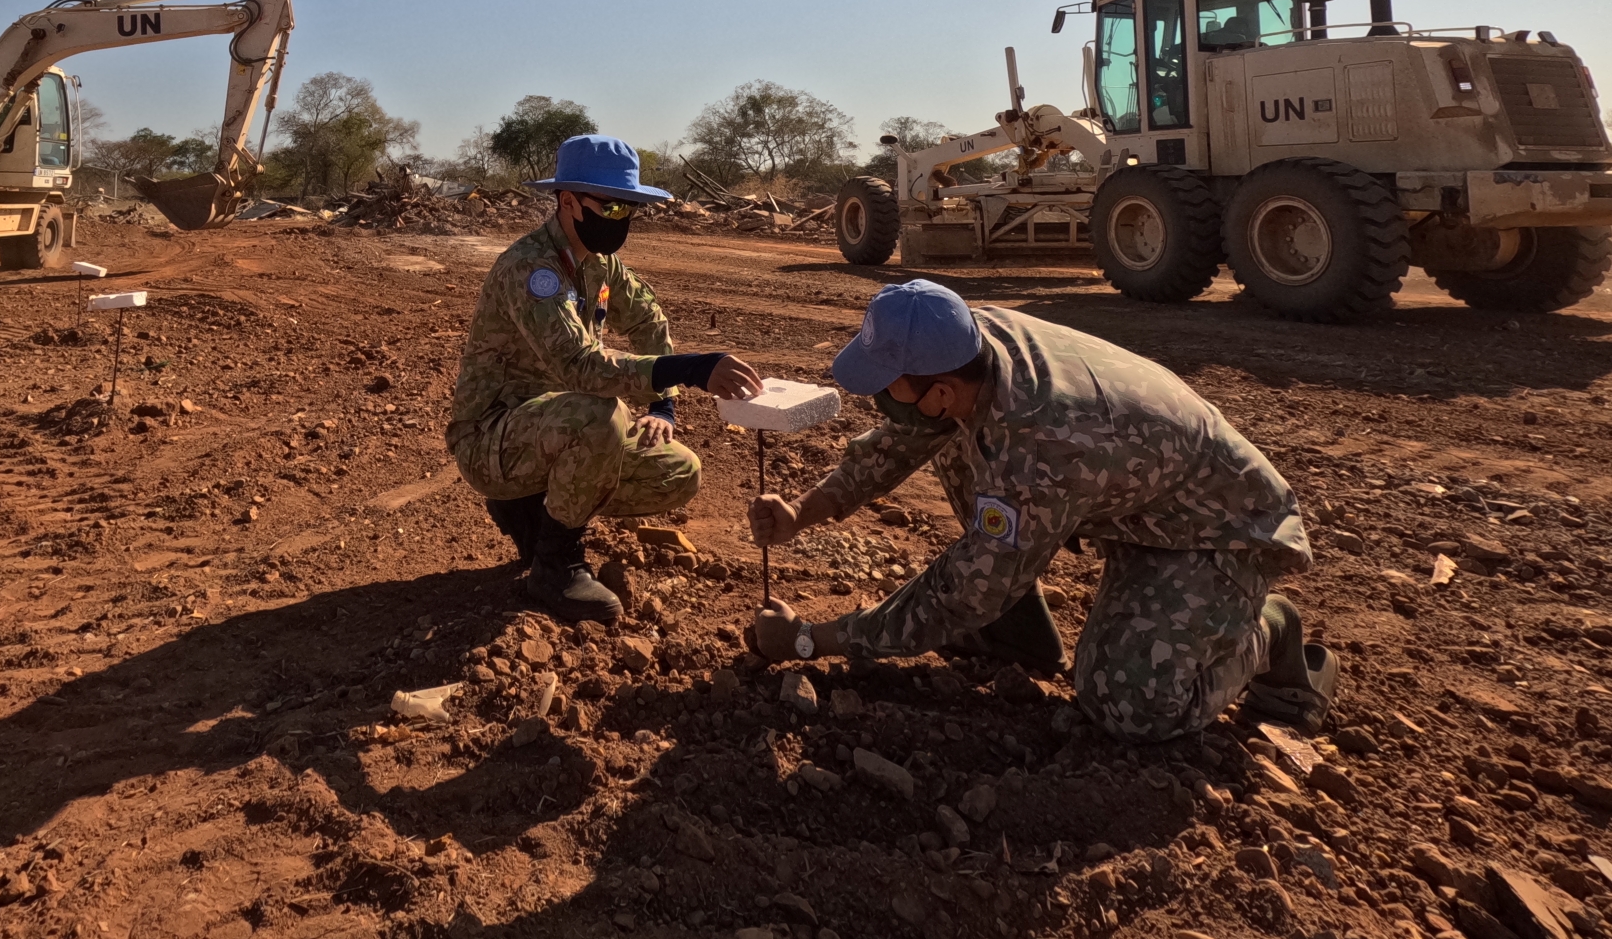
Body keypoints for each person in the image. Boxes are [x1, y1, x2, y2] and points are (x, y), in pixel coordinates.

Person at [744, 280, 1338, 740]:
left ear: (940, 385)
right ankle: (1017, 635)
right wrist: (803, 510)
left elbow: (959, 593)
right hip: (1131, 494)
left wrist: (810, 641)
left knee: (1129, 705)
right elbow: (900, 440)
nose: (877, 398)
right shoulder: (967, 344)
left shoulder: (1041, 443)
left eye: (886, 385)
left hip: (1215, 528)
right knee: (950, 440)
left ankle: (1268, 630)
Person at [448, 134, 762, 623]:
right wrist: (695, 368)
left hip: (552, 426)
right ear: (568, 202)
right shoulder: (532, 268)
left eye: (629, 208)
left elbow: (647, 320)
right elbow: (582, 368)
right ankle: (555, 565)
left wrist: (663, 406)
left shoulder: (601, 265)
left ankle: (533, 514)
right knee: (599, 412)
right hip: (493, 437)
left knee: (677, 470)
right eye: (611, 206)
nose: (621, 219)